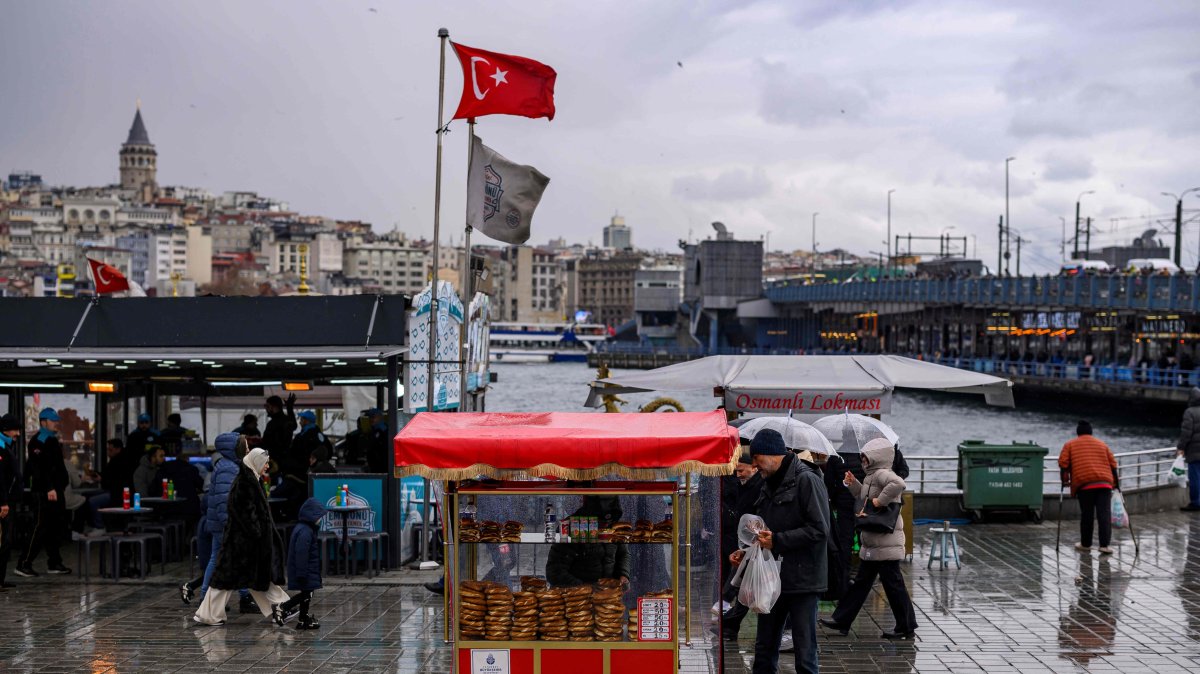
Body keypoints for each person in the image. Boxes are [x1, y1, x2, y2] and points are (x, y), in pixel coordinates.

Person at [730, 428, 829, 674]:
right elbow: (765, 529)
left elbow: (820, 530)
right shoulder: (767, 483)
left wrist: (779, 540)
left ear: (773, 454)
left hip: (804, 580)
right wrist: (748, 551)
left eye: (756, 459)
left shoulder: (807, 480)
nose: (754, 465)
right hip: (773, 577)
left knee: (804, 652)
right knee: (764, 647)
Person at [820, 438, 918, 640]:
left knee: (892, 584)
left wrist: (880, 500)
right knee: (865, 583)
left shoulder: (882, 474)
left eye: (865, 457)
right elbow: (862, 499)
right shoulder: (870, 477)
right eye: (862, 457)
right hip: (874, 540)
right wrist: (853, 484)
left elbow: (899, 483)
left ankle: (906, 626)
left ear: (876, 457)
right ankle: (843, 620)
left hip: (884, 541)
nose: (862, 460)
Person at [193, 446, 289, 626]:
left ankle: (282, 606)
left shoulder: (251, 479)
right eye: (265, 463)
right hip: (243, 542)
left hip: (242, 541)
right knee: (233, 579)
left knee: (244, 578)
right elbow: (246, 514)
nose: (268, 466)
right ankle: (282, 606)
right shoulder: (246, 482)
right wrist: (258, 535)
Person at [194, 433, 255, 613]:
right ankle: (213, 598)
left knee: (222, 558)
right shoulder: (229, 469)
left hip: (224, 523)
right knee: (230, 559)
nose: (248, 449)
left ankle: (235, 596)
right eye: (245, 446)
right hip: (227, 525)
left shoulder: (229, 466)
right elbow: (224, 501)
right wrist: (231, 523)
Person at [15, 408, 71, 577]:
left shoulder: (52, 440)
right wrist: (49, 488)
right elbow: (38, 468)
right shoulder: (39, 441)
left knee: (54, 527)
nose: (57, 424)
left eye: (57, 421)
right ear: (44, 421)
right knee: (39, 527)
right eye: (53, 421)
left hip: (56, 490)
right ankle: (23, 563)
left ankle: (54, 562)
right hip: (45, 492)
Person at [717, 450, 761, 641]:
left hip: (756, 543)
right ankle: (729, 625)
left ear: (754, 467)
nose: (738, 474)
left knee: (745, 584)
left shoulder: (759, 486)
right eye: (736, 471)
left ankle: (728, 618)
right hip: (746, 543)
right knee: (745, 585)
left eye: (741, 470)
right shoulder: (744, 484)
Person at [1058, 420, 1120, 553]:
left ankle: (1086, 544)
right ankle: (1104, 545)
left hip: (1085, 485)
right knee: (1104, 514)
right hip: (1104, 484)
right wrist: (1116, 484)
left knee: (1087, 515)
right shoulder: (1102, 444)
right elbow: (1113, 465)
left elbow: (1063, 464)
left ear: (1077, 432)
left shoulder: (1070, 445)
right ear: (1091, 432)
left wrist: (1065, 481)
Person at [546, 496, 631, 587]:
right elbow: (555, 572)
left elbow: (623, 554)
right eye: (599, 522)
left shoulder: (614, 525)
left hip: (608, 595)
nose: (605, 526)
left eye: (608, 523)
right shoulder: (569, 528)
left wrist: (623, 574)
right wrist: (585, 589)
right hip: (577, 597)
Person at [273, 497, 326, 630]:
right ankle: (283, 607)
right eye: (319, 516)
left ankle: (303, 619)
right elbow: (301, 553)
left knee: (308, 593)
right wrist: (302, 572)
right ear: (312, 516)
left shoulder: (306, 529)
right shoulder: (305, 531)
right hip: (305, 570)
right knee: (306, 593)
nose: (321, 519)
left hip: (307, 570)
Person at [154, 444, 205, 530]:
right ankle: (188, 541)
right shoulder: (191, 469)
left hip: (168, 510)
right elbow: (202, 486)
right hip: (190, 510)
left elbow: (154, 489)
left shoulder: (162, 470)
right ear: (187, 459)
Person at [0, 413, 23, 589]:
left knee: (6, 541)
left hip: (8, 500)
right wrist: (3, 502)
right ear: (6, 430)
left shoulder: (7, 445)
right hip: (3, 503)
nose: (18, 434)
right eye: (15, 430)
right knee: (2, 540)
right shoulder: (1, 447)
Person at [1176, 387, 1200, 512]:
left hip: (1194, 452)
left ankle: (1196, 503)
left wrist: (1181, 447)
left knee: (1195, 478)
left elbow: (1186, 433)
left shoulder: (1189, 412)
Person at [261, 394, 297, 473]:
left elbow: (266, 443)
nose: (266, 409)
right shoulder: (287, 421)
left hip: (274, 463)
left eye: (267, 406)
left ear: (274, 407)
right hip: (286, 462)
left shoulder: (272, 424)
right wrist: (289, 408)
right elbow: (293, 425)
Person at [365, 409, 389, 474]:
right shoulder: (373, 430)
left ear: (380, 417)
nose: (371, 419)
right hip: (374, 466)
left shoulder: (384, 431)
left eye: (373, 417)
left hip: (382, 467)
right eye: (370, 417)